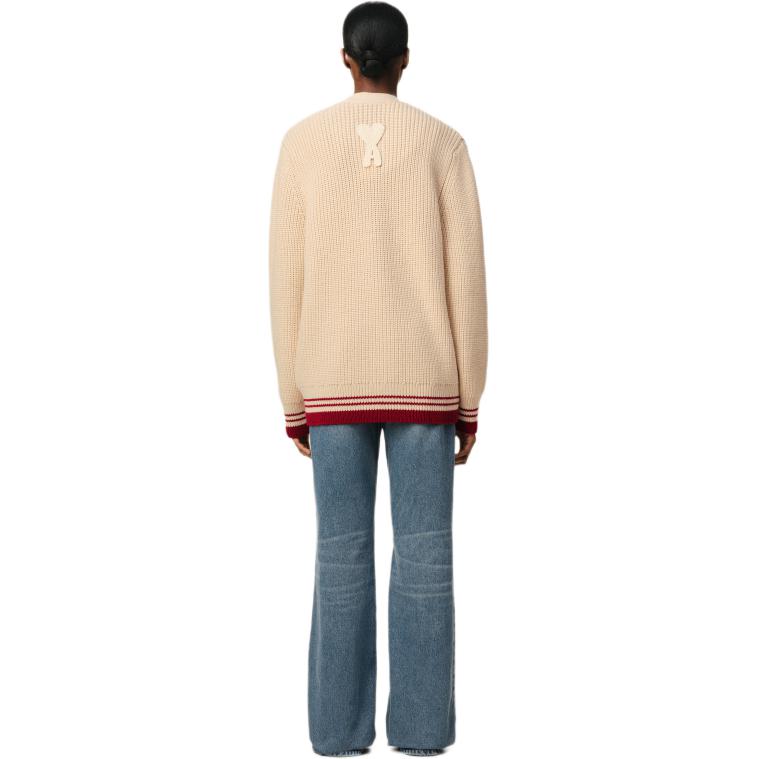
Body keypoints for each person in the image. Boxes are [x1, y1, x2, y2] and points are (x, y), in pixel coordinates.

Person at [268, 2, 488, 755]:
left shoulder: (301, 144)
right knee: (425, 559)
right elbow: (467, 283)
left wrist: (293, 401)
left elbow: (284, 282)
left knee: (339, 557)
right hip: (425, 383)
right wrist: (469, 400)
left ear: (343, 59)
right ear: (406, 59)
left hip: (330, 382)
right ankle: (421, 734)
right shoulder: (443, 145)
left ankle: (337, 734)